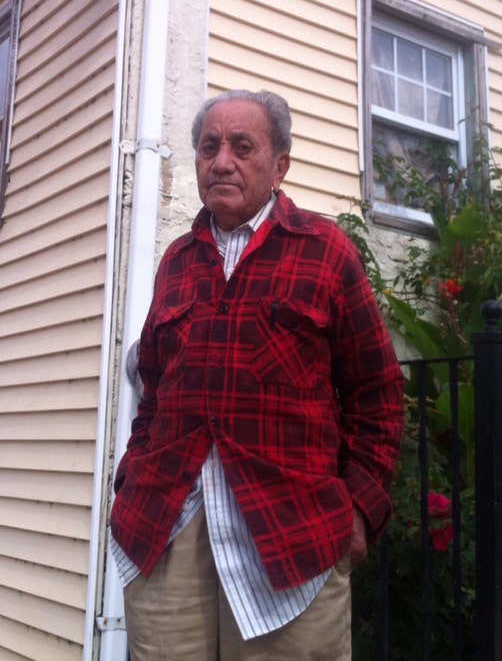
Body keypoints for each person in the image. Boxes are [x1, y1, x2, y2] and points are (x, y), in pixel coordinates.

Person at [109, 89, 405, 657]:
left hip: (290, 537)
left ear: (279, 165)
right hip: (166, 530)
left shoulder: (326, 252)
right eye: (209, 147)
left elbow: (378, 392)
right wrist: (129, 477)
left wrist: (360, 506)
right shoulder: (176, 261)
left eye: (242, 147)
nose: (222, 162)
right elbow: (152, 389)